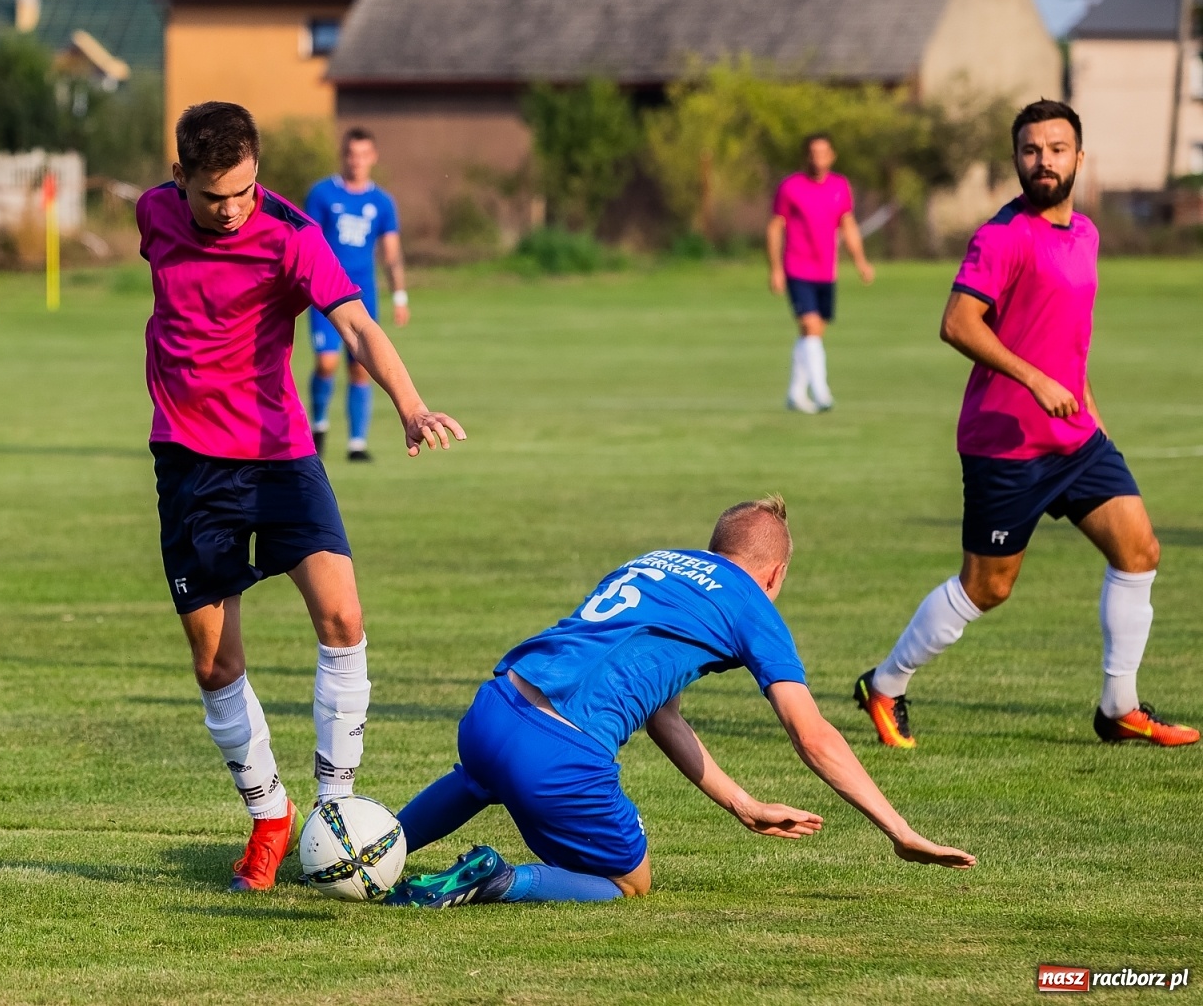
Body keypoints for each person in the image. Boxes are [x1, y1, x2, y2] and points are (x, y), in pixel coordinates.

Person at [138, 101, 464, 892]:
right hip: (189, 464)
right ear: (179, 178)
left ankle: (335, 807)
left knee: (343, 617)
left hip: (281, 455)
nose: (231, 210)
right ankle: (270, 814)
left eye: (244, 191)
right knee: (216, 663)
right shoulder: (153, 215)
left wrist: (411, 404)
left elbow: (355, 325)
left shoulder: (291, 235)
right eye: (215, 196)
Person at [386, 498, 975, 909]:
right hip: (559, 752)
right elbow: (812, 735)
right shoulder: (754, 607)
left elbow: (657, 709)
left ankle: (372, 852)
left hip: (494, 708)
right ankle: (499, 880)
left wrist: (741, 802)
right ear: (775, 574)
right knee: (628, 883)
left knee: (478, 779)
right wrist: (899, 831)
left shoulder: (653, 561)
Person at [854, 100, 1197, 749]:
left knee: (1139, 551)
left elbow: (1069, 337)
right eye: (1031, 150)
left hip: (1075, 440)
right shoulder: (1003, 235)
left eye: (1057, 148)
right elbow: (957, 322)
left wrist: (1088, 406)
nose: (1044, 161)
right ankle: (886, 684)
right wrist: (1035, 379)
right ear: (1016, 159)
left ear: (1079, 158)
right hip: (1005, 445)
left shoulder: (1088, 235)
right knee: (987, 588)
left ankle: (1119, 707)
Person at [302, 128, 409, 461]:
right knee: (326, 362)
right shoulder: (321, 194)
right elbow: (309, 243)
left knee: (362, 366)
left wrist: (400, 294)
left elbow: (391, 253)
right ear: (343, 155)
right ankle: (318, 424)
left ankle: (357, 443)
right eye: (352, 154)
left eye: (364, 155)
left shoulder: (382, 202)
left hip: (364, 293)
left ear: (373, 157)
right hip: (325, 291)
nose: (357, 161)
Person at [767, 134, 874, 414]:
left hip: (826, 270)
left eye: (823, 152)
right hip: (797, 267)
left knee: (814, 333)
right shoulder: (790, 187)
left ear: (832, 155)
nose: (818, 158)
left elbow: (847, 225)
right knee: (810, 326)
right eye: (813, 152)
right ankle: (821, 390)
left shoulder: (840, 187)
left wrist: (861, 262)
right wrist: (776, 269)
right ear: (806, 156)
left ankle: (795, 392)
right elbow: (775, 227)